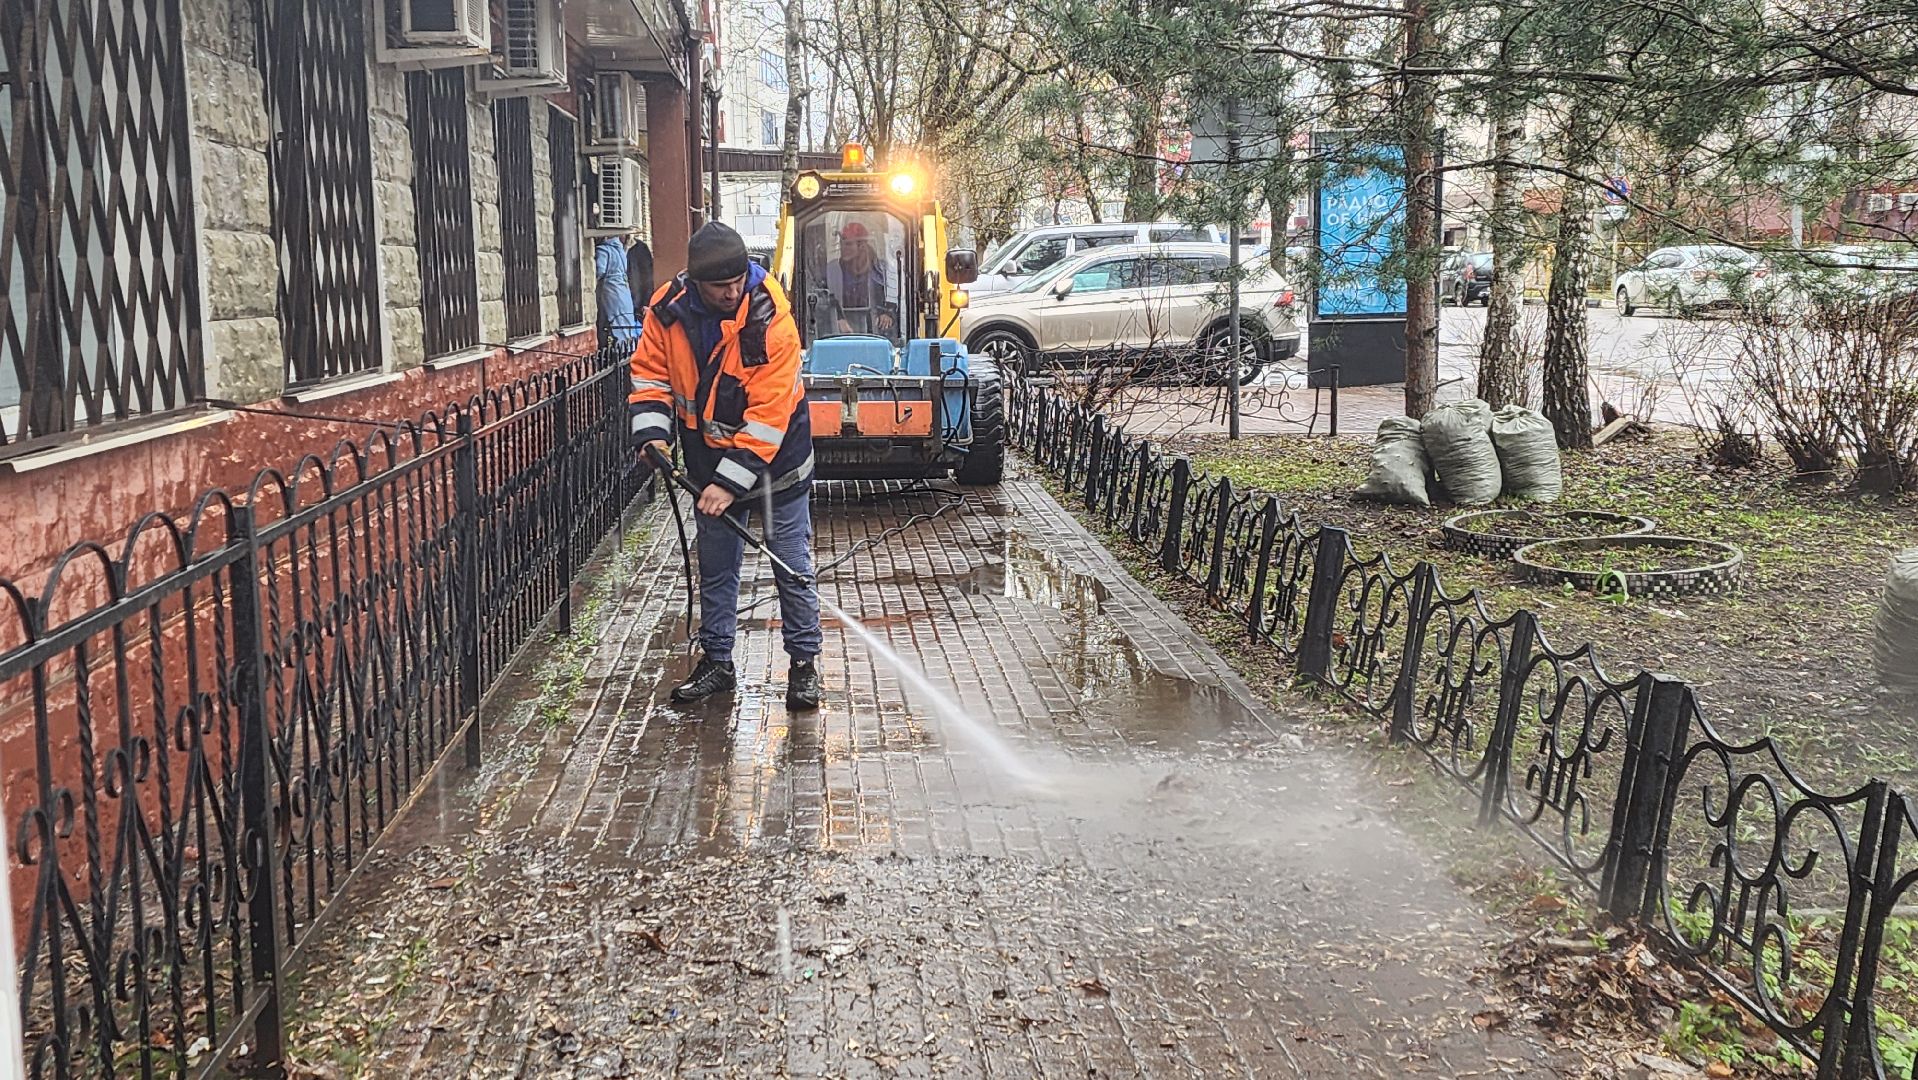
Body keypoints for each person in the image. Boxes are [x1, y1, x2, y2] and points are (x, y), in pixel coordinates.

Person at [629, 222, 822, 711]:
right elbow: (650, 375)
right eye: (721, 287)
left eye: (738, 282)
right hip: (706, 459)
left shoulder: (768, 319)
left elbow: (767, 417)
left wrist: (727, 484)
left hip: (778, 465)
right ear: (695, 282)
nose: (732, 292)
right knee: (717, 568)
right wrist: (652, 436)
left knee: (791, 566)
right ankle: (718, 662)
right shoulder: (667, 312)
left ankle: (803, 664)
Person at [826, 220, 898, 337]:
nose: (843, 248)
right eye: (842, 243)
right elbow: (825, 296)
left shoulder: (880, 269)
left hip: (877, 334)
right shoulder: (833, 270)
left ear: (861, 246)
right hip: (841, 335)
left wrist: (887, 313)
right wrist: (838, 318)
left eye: (848, 244)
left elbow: (894, 296)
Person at [596, 235, 640, 350]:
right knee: (625, 320)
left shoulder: (603, 250)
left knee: (616, 320)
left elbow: (599, 271)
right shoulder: (620, 250)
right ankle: (629, 348)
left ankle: (621, 350)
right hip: (624, 291)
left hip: (612, 291)